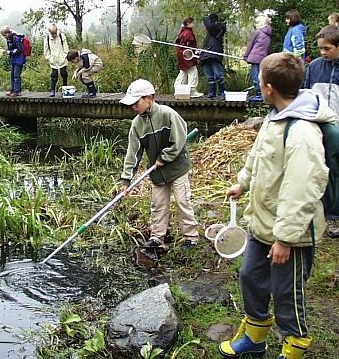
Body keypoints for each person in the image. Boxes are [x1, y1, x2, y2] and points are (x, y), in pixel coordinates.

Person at [219, 52, 334, 359]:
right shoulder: (274, 117)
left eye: (260, 81)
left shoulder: (302, 133)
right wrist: (242, 183)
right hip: (262, 221)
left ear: (269, 87)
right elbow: (258, 157)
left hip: (291, 234)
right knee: (250, 278)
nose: (259, 84)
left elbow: (303, 190)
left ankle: (295, 347)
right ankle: (255, 338)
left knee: (286, 294)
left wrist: (284, 238)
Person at [119, 79, 199, 251]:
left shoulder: (168, 114)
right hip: (157, 173)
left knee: (183, 202)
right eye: (131, 103)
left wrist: (164, 157)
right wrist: (126, 180)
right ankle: (157, 238)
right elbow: (133, 153)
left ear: (149, 98)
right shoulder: (136, 125)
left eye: (136, 102)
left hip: (177, 167)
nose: (133, 107)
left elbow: (179, 140)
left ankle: (191, 238)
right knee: (158, 205)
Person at [304, 25, 339, 239]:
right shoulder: (315, 67)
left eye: (327, 49)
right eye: (320, 49)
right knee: (316, 169)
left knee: (335, 172)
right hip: (317, 127)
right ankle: (317, 212)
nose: (323, 53)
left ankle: (334, 216)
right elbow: (307, 95)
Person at [243, 15, 272, 102]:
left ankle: (259, 94)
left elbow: (250, 44)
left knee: (255, 76)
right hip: (262, 57)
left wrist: (245, 56)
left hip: (255, 57)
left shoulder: (258, 32)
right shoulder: (269, 33)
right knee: (261, 76)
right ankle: (262, 94)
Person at [174, 17, 203, 97]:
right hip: (187, 55)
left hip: (181, 54)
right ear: (188, 23)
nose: (193, 24)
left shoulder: (182, 32)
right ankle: (192, 91)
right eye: (192, 23)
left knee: (183, 72)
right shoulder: (188, 33)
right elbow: (190, 45)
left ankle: (178, 89)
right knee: (193, 71)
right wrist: (195, 52)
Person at [200, 13, 226, 99]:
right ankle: (212, 93)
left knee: (218, 75)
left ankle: (223, 93)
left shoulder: (219, 28)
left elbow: (208, 25)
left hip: (214, 54)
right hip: (207, 55)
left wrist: (206, 17)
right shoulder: (211, 31)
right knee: (209, 76)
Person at [43, 23, 69, 97]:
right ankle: (52, 90)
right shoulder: (47, 38)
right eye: (52, 33)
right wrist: (50, 58)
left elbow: (66, 48)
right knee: (54, 75)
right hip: (53, 60)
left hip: (62, 59)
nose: (54, 35)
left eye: (55, 33)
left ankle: (65, 90)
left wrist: (64, 56)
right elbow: (46, 51)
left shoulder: (61, 36)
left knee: (64, 74)